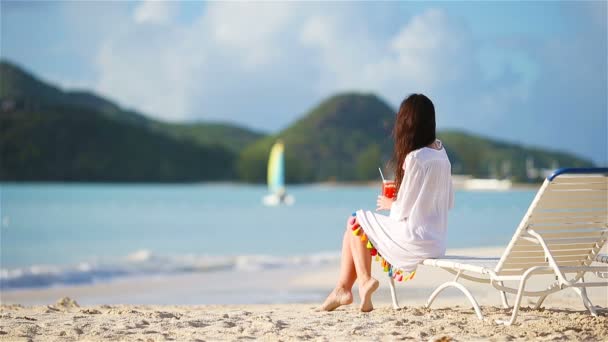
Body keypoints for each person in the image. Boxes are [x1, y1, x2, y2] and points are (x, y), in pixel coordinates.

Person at [319, 93, 454, 312]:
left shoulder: (416, 158)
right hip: (437, 242)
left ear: (407, 123)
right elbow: (448, 202)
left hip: (415, 240)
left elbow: (402, 211)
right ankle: (342, 290)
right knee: (352, 232)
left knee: (355, 219)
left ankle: (363, 282)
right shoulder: (442, 155)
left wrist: (390, 202)